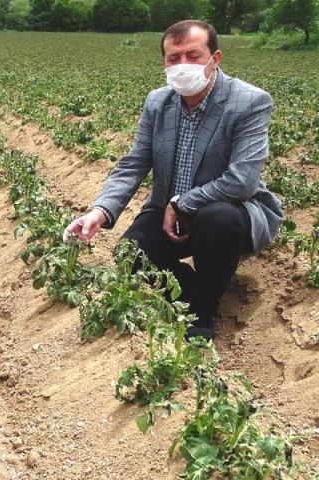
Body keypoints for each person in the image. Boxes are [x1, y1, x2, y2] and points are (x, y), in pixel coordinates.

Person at [63, 20, 283, 341]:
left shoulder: (249, 102)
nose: (182, 65)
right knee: (131, 255)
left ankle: (201, 317)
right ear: (164, 62)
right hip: (168, 212)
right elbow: (134, 163)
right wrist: (98, 212)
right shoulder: (158, 102)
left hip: (229, 214)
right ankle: (195, 289)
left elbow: (242, 181)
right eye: (173, 58)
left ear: (215, 58)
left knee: (216, 218)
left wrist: (182, 202)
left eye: (193, 56)